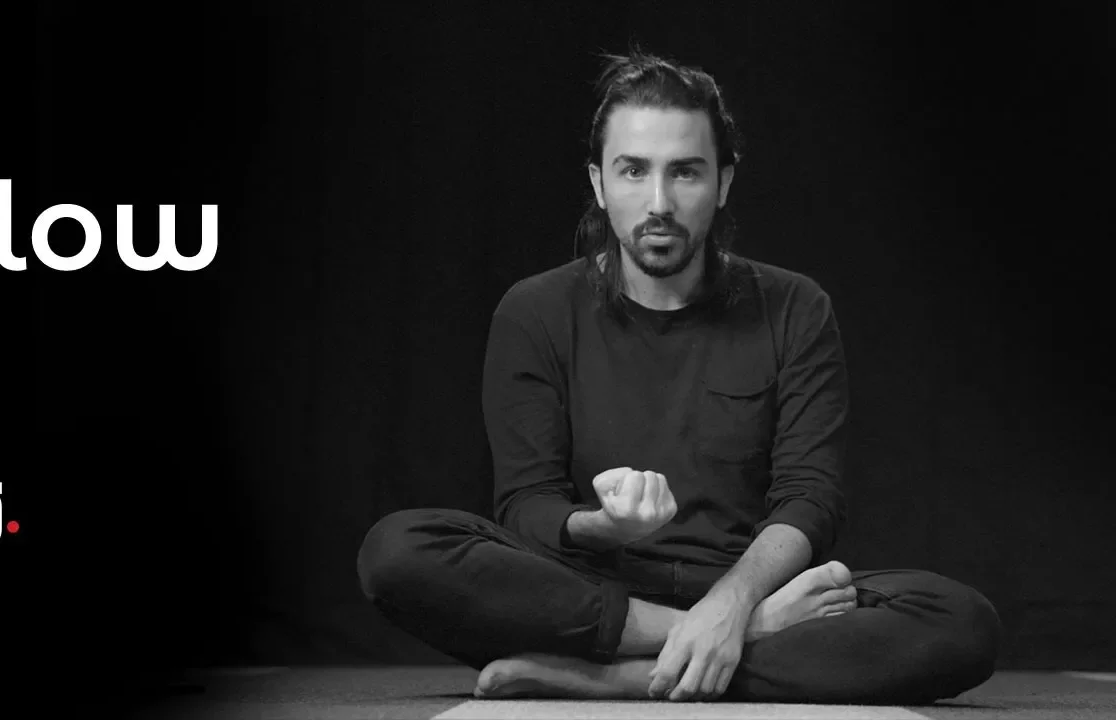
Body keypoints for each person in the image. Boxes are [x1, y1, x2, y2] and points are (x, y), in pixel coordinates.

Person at [356, 48, 1001, 705]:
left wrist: (733, 601)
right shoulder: (534, 311)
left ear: (723, 183)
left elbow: (809, 497)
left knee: (959, 620)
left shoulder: (795, 307)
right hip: (590, 598)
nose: (659, 202)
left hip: (738, 583)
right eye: (633, 170)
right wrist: (604, 528)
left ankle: (616, 677)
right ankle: (712, 644)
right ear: (599, 183)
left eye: (685, 172)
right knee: (398, 551)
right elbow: (527, 505)